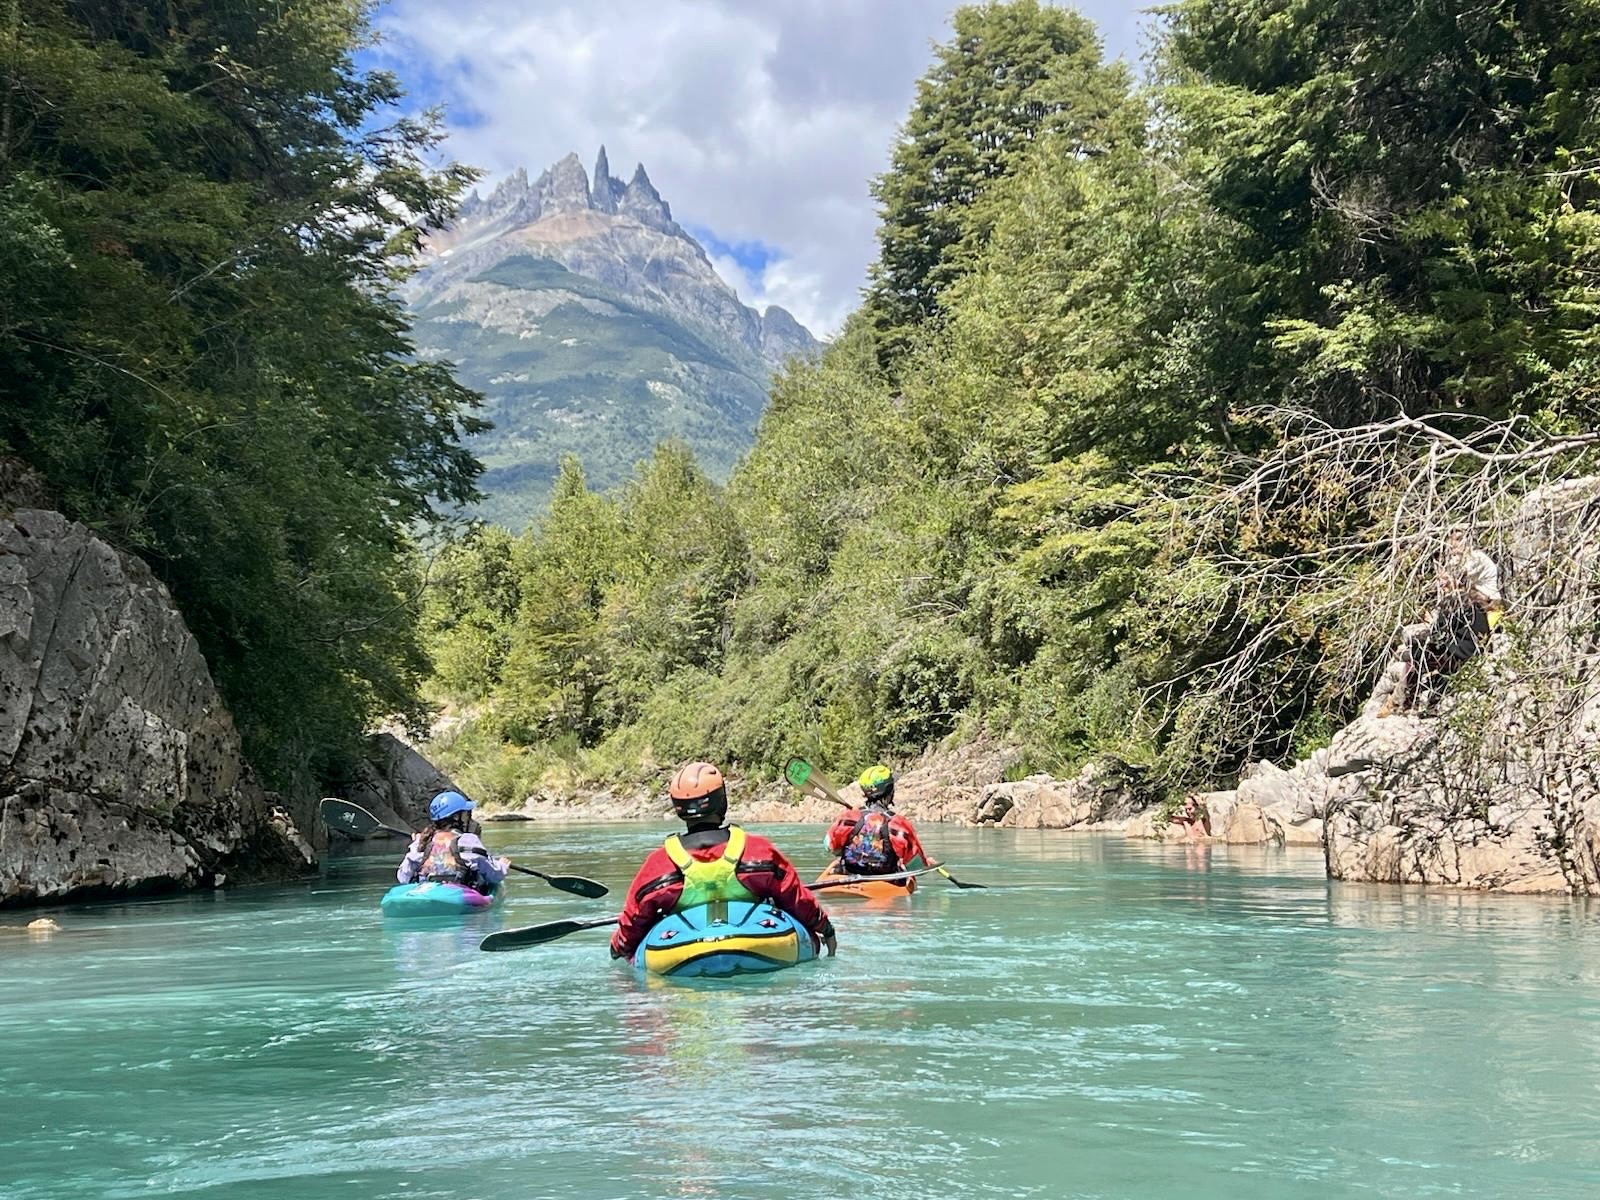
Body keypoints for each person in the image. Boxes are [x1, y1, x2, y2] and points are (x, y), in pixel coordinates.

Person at [610, 761, 837, 961]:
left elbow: (634, 918)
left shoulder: (659, 863)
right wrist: (825, 928)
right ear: (721, 801)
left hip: (682, 952)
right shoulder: (758, 850)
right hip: (761, 941)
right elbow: (796, 898)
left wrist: (619, 947)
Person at [1374, 528, 1504, 717]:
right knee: (1415, 652)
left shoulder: (1474, 563)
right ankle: (1398, 701)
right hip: (1467, 636)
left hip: (1481, 619)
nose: (1452, 545)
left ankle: (1399, 703)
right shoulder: (1460, 597)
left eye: (1457, 540)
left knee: (1417, 652)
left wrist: (1430, 627)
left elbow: (1439, 634)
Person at [824, 765, 930, 876]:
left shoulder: (848, 817)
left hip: (849, 873)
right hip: (885, 880)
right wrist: (926, 863)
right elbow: (917, 868)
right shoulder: (899, 825)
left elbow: (829, 846)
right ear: (890, 790)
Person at [397, 790, 510, 894]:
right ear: (457, 817)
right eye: (465, 814)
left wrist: (415, 844)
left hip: (426, 892)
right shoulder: (469, 840)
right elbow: (495, 876)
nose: (469, 819)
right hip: (460, 894)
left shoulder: (422, 842)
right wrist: (502, 866)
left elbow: (403, 877)